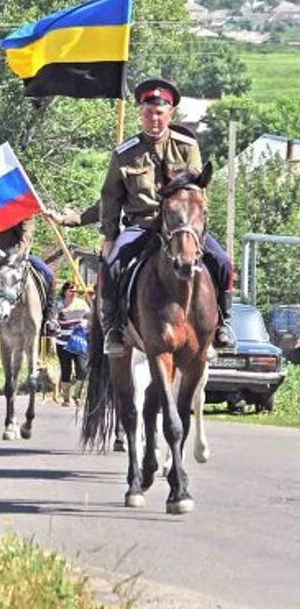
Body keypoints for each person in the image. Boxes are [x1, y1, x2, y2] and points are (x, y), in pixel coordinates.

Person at [98, 77, 236, 356]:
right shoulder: (124, 154)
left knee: (222, 261)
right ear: (140, 113)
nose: (154, 119)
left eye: (160, 113)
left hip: (182, 224)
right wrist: (110, 237)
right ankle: (114, 328)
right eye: (148, 113)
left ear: (170, 114)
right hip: (142, 223)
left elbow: (197, 189)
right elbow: (110, 197)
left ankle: (222, 323)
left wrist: (191, 225)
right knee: (111, 266)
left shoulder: (187, 146)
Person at [0, 216, 58, 337]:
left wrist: (17, 254)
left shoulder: (23, 210)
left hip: (20, 254)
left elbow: (26, 236)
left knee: (50, 276)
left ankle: (49, 320)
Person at [55, 281, 90, 406]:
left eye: (75, 291)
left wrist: (85, 323)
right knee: (66, 370)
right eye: (71, 290)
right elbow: (53, 323)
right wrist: (53, 341)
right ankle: (66, 398)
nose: (73, 293)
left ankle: (78, 395)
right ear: (65, 291)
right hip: (63, 343)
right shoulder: (59, 305)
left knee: (82, 369)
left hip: (79, 342)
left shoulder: (82, 303)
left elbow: (89, 317)